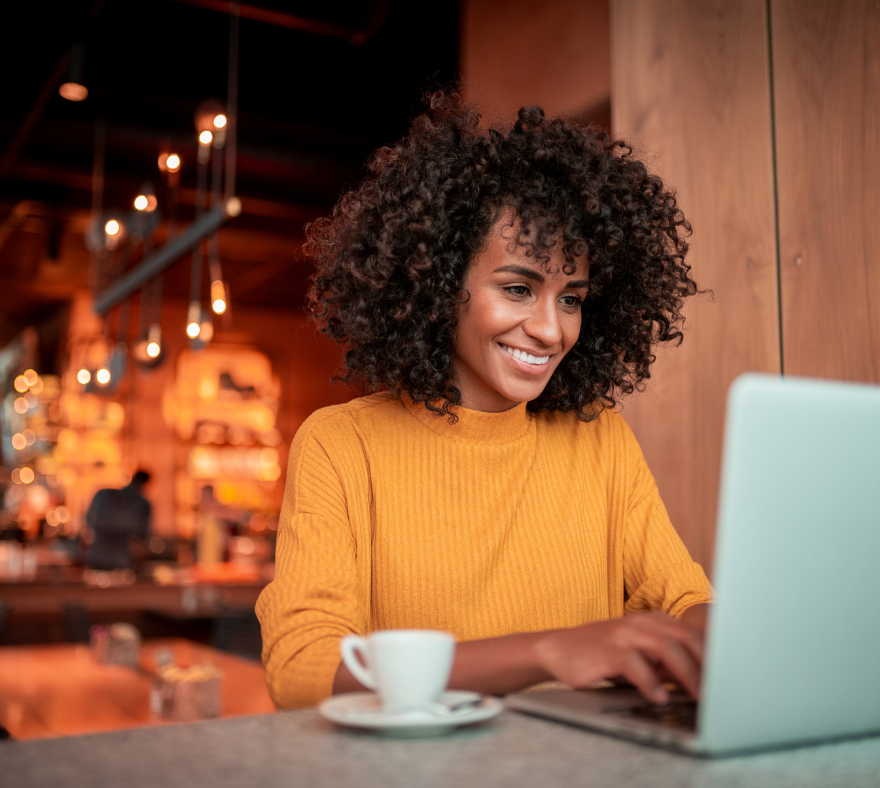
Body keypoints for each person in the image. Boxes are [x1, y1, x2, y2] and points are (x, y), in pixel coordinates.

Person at [257, 92, 711, 710]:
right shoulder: (343, 446)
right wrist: (547, 652)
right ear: (439, 283)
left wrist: (718, 637)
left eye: (571, 298)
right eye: (519, 288)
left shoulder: (598, 438)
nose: (552, 331)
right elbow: (303, 669)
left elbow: (688, 604)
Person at [85, 470, 152, 570]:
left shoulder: (103, 494)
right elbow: (142, 535)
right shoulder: (142, 504)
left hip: (99, 557)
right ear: (144, 484)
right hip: (119, 561)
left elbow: (89, 520)